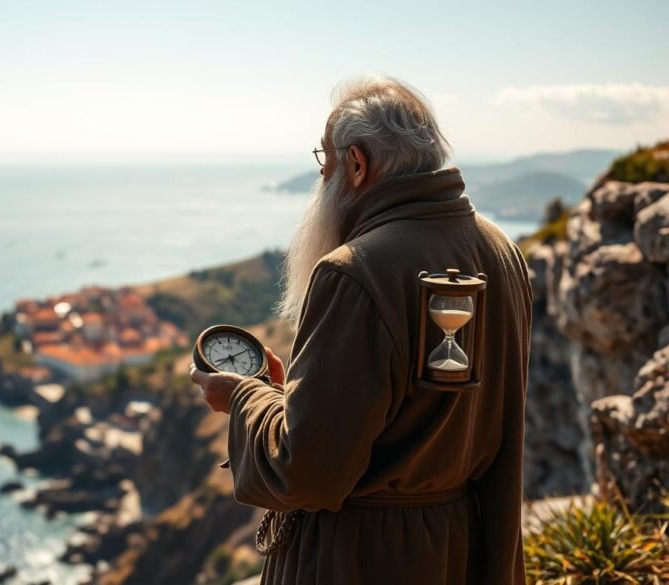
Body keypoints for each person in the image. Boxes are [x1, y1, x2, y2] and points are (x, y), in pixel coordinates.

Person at [190, 74, 531, 584]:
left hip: (358, 559)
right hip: (459, 551)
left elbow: (304, 471)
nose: (322, 176)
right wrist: (298, 398)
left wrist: (244, 397)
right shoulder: (501, 251)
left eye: (323, 160)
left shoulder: (355, 271)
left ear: (356, 164)